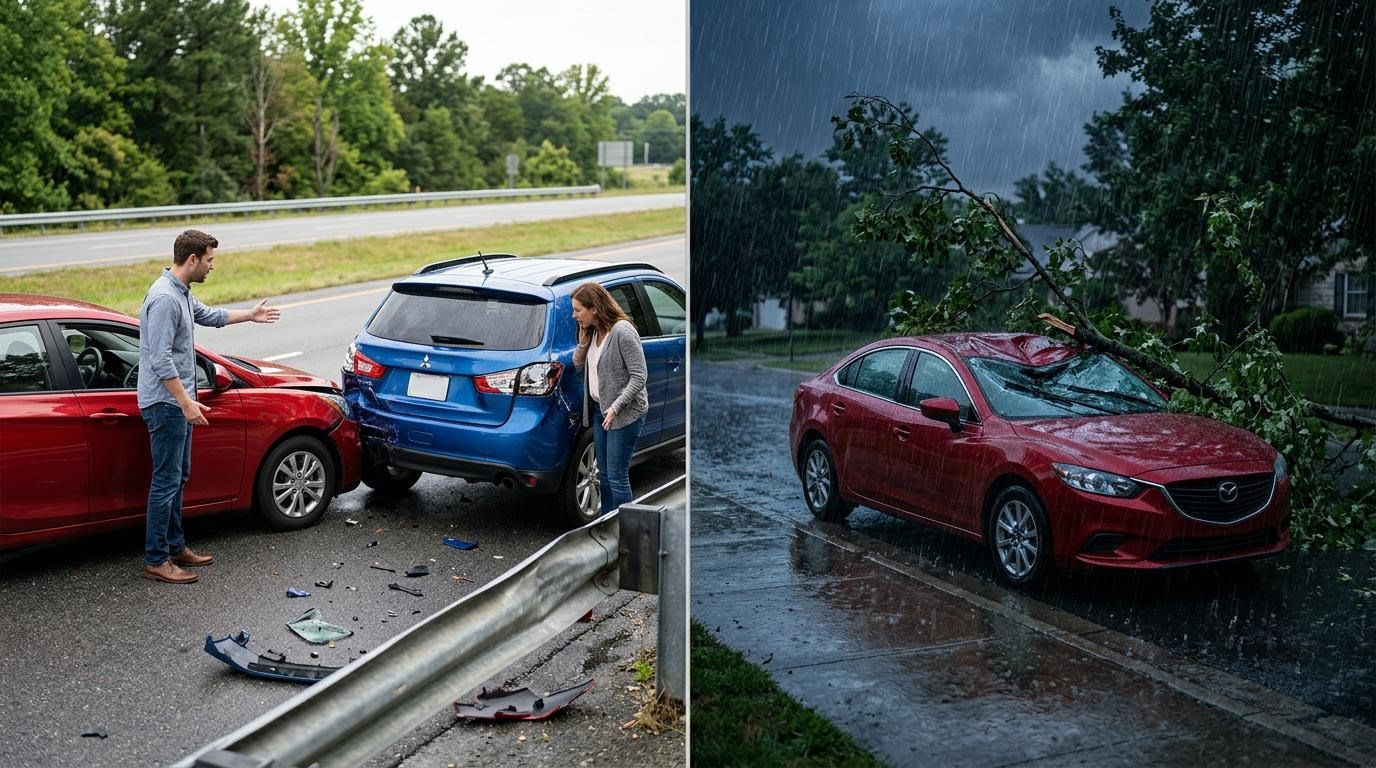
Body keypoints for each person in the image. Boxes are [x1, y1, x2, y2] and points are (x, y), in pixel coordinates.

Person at [138, 230, 280, 584]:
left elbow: (210, 315)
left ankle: (175, 546)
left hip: (177, 403)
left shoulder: (182, 293)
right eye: (209, 260)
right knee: (166, 481)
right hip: (166, 404)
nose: (211, 266)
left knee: (178, 477)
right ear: (192, 260)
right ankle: (157, 559)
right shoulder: (165, 299)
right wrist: (186, 402)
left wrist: (251, 315)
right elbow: (159, 360)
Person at [571, 282, 649, 514]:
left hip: (624, 414)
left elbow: (639, 376)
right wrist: (583, 342)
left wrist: (616, 407)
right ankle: (607, 526)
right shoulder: (592, 331)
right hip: (600, 411)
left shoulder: (622, 332)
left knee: (616, 475)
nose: (574, 315)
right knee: (603, 474)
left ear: (594, 308)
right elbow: (577, 364)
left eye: (578, 310)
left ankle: (626, 528)